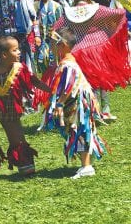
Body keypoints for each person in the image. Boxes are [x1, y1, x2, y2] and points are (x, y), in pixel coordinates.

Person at [0, 36, 50, 180]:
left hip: (11, 112)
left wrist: (52, 90)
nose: (19, 52)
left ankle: (26, 167)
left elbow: (35, 81)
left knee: (17, 142)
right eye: (15, 50)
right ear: (4, 55)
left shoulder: (19, 69)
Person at [44, 27, 108, 179]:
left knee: (78, 130)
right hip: (73, 101)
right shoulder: (65, 62)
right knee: (76, 130)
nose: (52, 47)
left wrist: (59, 104)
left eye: (54, 43)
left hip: (76, 102)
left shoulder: (68, 65)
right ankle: (85, 164)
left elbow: (69, 86)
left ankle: (87, 166)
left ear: (64, 45)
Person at [34, 0, 62, 73]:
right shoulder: (36, 6)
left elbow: (60, 23)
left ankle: (54, 81)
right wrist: (36, 35)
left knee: (54, 60)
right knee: (41, 61)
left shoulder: (56, 6)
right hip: (41, 38)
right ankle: (45, 81)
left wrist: (59, 36)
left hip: (53, 38)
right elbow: (34, 21)